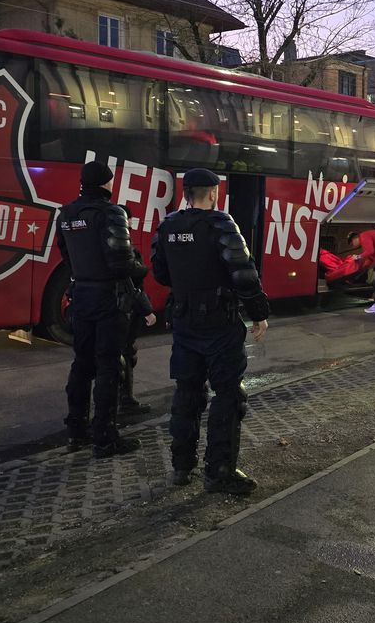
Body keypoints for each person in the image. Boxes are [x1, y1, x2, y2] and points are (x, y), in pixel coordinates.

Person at [152, 168, 270, 495]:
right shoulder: (222, 224)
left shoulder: (167, 226)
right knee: (228, 395)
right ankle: (220, 471)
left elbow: (160, 273)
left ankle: (181, 467)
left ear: (186, 192)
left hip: (184, 322)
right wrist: (259, 314)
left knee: (187, 392)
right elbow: (243, 273)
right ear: (214, 193)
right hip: (220, 324)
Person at [57, 160, 149, 458]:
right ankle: (105, 437)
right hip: (109, 300)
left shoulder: (67, 214)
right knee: (109, 366)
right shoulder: (112, 213)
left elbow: (66, 255)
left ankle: (76, 431)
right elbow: (121, 262)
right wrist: (141, 269)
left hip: (81, 296)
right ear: (107, 183)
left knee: (82, 364)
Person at [119, 247, 158, 420]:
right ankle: (126, 401)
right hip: (121, 310)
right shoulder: (120, 249)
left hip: (95, 307)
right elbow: (131, 281)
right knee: (125, 352)